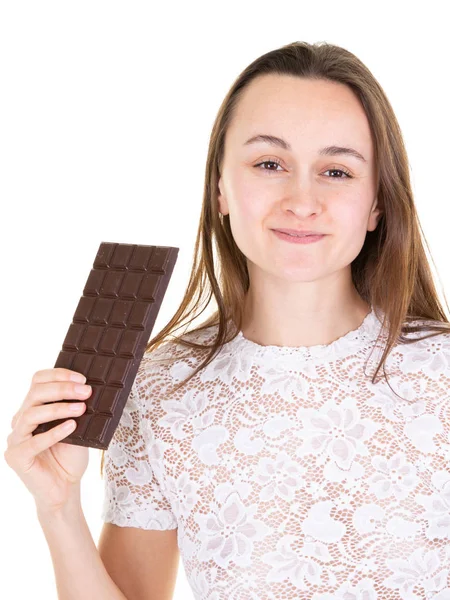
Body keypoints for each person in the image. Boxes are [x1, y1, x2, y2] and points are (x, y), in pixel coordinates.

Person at [5, 41, 450, 600]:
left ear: (377, 204)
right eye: (269, 163)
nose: (302, 199)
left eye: (337, 170)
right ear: (220, 187)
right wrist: (58, 508)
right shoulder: (157, 391)